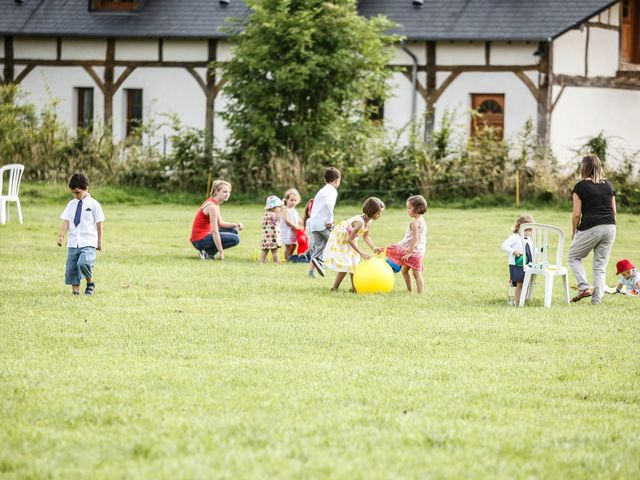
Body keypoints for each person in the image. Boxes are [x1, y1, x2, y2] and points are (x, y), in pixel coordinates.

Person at [568, 155, 617, 304]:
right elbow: (614, 211)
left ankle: (584, 287)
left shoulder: (580, 186)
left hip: (591, 227)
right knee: (600, 266)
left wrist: (574, 231)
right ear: (599, 167)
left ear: (584, 168)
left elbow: (576, 214)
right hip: (610, 228)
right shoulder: (608, 185)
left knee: (573, 256)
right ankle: (596, 301)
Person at [57, 173, 105, 296]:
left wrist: (99, 241)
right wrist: (61, 235)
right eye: (73, 193)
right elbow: (66, 221)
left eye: (78, 192)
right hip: (73, 242)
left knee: (84, 263)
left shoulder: (94, 205)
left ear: (86, 188)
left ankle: (90, 283)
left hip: (88, 241)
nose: (75, 195)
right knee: (72, 267)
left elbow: (99, 224)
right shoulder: (71, 204)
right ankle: (75, 292)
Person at [323, 197, 385, 291]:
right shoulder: (359, 223)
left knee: (354, 264)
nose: (379, 216)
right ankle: (334, 288)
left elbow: (366, 236)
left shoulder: (369, 220)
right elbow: (350, 240)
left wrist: (373, 247)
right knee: (347, 264)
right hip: (342, 240)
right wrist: (361, 253)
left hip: (351, 240)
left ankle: (354, 288)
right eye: (378, 213)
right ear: (371, 211)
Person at [385, 195, 428, 294]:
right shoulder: (422, 221)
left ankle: (420, 294)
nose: (407, 210)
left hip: (414, 252)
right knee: (404, 271)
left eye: (409, 208)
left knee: (417, 274)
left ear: (417, 209)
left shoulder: (415, 223)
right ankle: (409, 291)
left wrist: (409, 252)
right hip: (418, 251)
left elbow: (415, 238)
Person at [190, 180, 243, 260]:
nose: (227, 194)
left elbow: (220, 224)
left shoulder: (215, 203)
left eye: (229, 192)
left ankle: (206, 252)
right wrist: (221, 251)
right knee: (235, 239)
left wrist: (236, 224)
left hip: (204, 235)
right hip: (199, 239)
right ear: (216, 192)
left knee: (234, 231)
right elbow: (215, 231)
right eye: (224, 192)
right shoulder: (212, 206)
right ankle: (208, 253)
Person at [308, 167, 341, 278]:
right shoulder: (332, 191)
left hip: (314, 224)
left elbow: (317, 207)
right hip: (323, 224)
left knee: (319, 248)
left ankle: (311, 272)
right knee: (336, 241)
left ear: (325, 180)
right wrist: (329, 221)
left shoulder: (321, 191)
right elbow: (328, 205)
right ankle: (326, 263)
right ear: (337, 180)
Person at [500, 214, 535, 305]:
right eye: (526, 230)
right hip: (517, 265)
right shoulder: (514, 238)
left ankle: (524, 299)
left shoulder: (529, 239)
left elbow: (530, 251)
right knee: (520, 283)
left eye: (530, 230)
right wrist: (513, 251)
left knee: (526, 282)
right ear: (519, 227)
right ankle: (518, 301)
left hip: (527, 264)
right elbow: (503, 246)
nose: (528, 232)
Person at [260, 195, 284, 263]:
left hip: (266, 237)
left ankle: (261, 261)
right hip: (272, 237)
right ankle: (276, 262)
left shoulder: (266, 214)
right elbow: (277, 219)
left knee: (265, 250)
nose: (279, 208)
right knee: (274, 251)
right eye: (278, 207)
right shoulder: (273, 214)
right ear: (273, 207)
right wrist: (281, 211)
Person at [280, 188, 302, 260]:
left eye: (295, 200)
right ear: (286, 200)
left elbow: (299, 220)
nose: (293, 202)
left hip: (293, 231)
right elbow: (287, 220)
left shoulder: (294, 210)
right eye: (291, 200)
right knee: (288, 246)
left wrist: (304, 224)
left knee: (294, 245)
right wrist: (294, 226)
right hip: (287, 231)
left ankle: (290, 257)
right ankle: (286, 259)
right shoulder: (286, 209)